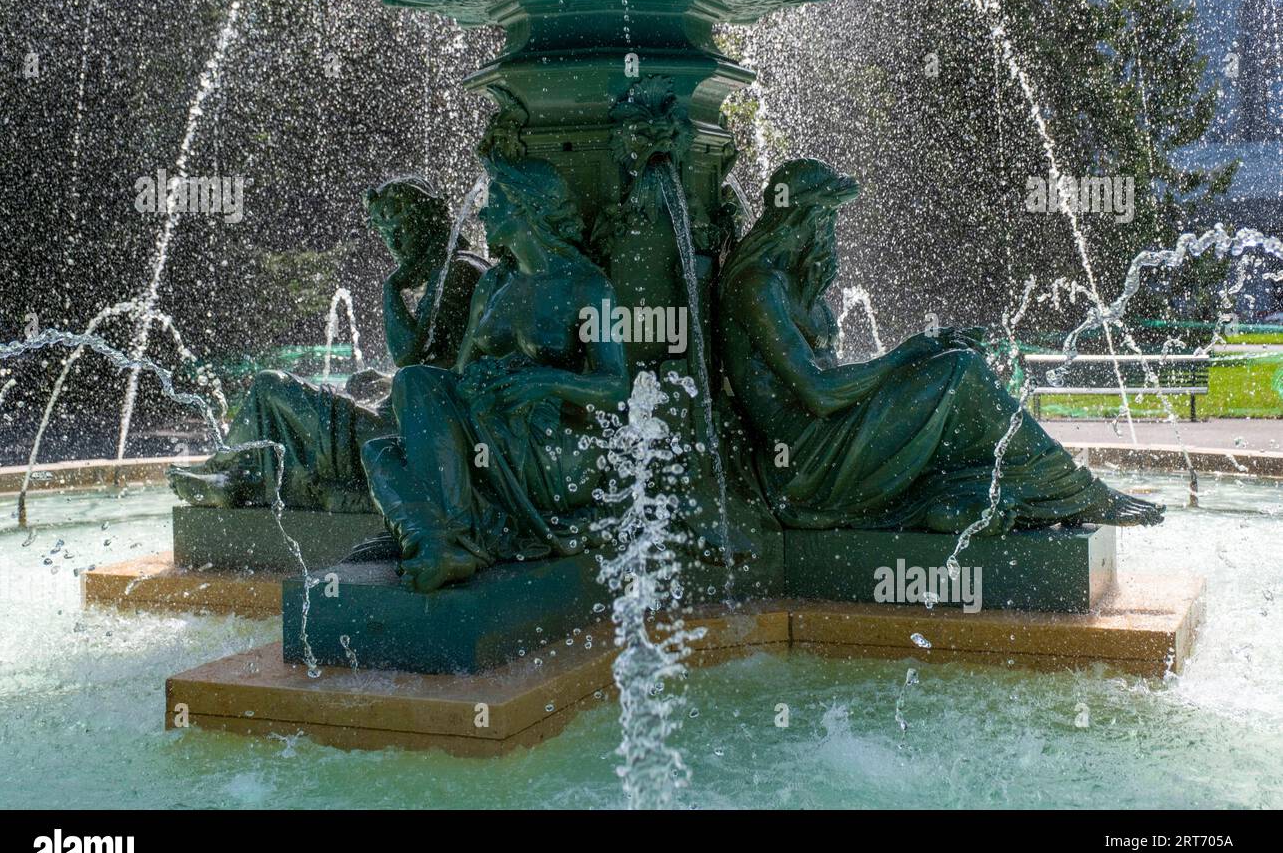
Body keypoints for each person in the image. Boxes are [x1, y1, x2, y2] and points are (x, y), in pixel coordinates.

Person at [717, 158, 1164, 534]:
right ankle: (1075, 492)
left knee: (949, 371)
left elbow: (836, 386)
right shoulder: (757, 286)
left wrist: (921, 355)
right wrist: (906, 354)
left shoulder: (793, 284)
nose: (832, 229)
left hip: (831, 435)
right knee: (959, 372)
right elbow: (819, 391)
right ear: (799, 218)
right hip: (806, 464)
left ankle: (966, 502)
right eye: (826, 216)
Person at [360, 155, 631, 590]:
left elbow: (617, 387)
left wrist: (542, 381)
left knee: (408, 436)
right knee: (382, 445)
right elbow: (460, 371)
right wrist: (478, 384)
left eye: (497, 202)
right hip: (491, 423)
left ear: (529, 208)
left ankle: (443, 538)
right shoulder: (492, 284)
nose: (484, 212)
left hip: (549, 444)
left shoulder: (587, 286)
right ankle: (442, 537)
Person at [169, 174, 486, 512]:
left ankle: (228, 477)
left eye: (401, 229)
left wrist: (391, 289)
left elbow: (408, 354)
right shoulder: (463, 267)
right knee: (310, 396)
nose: (394, 243)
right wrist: (389, 380)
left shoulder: (457, 273)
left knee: (269, 386)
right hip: (414, 426)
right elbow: (448, 362)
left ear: (432, 219)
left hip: (400, 438)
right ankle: (236, 475)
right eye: (385, 233)